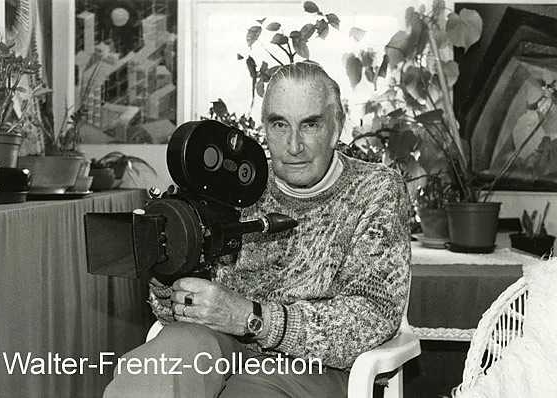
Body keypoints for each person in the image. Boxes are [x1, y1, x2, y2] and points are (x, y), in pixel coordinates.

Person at [103, 62, 411, 398]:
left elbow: (371, 318)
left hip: (315, 367)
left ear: (336, 128)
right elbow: (173, 309)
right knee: (162, 363)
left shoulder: (375, 189)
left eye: (310, 124)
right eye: (280, 124)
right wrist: (166, 267)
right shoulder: (237, 182)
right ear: (264, 127)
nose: (294, 145)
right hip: (222, 346)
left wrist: (253, 318)